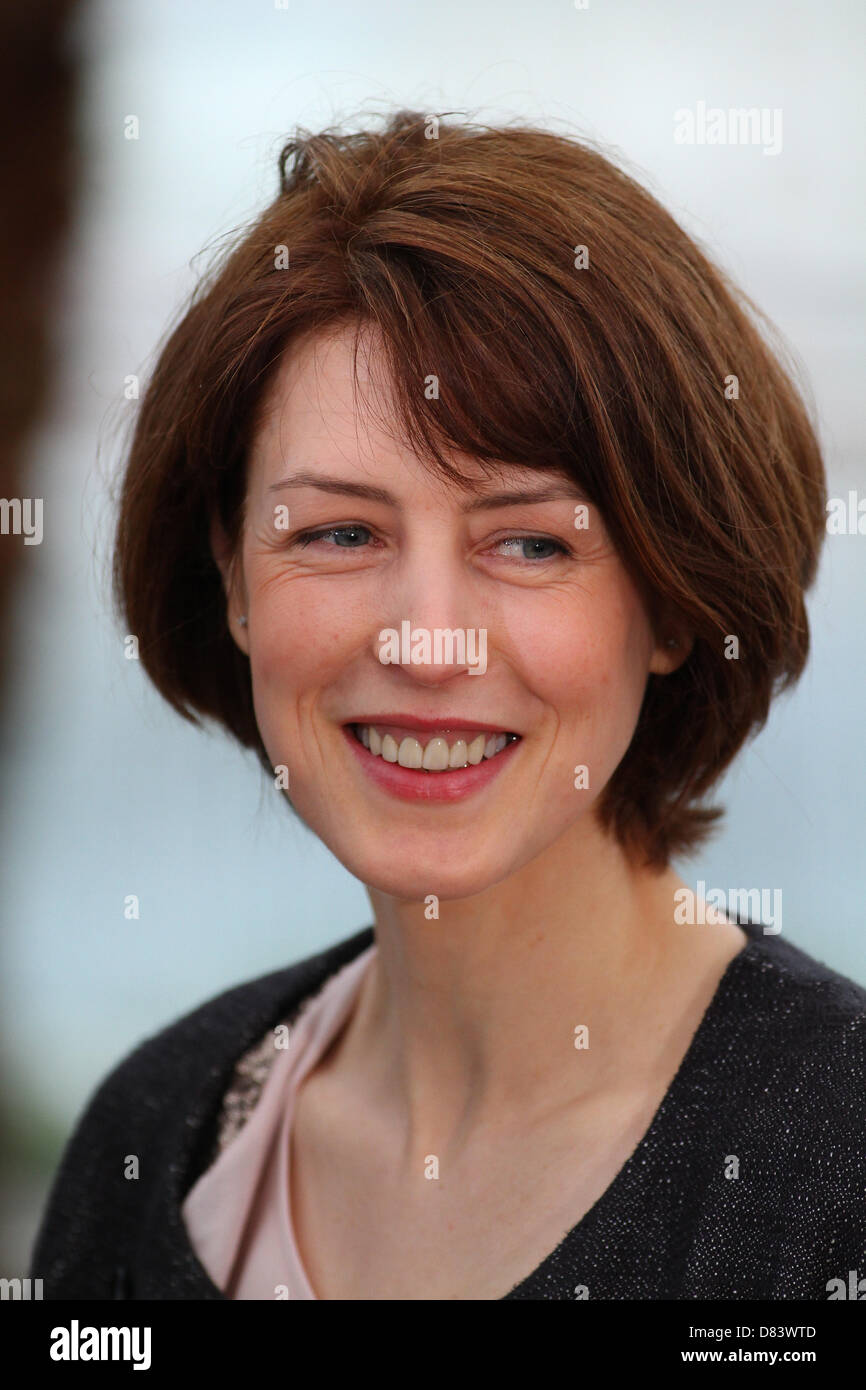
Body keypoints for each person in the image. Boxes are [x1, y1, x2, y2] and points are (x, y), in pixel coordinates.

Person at [31, 109, 866, 1300]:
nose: (427, 639)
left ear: (675, 601)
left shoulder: (833, 1181)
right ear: (232, 582)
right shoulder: (150, 1138)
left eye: (528, 543)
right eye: (337, 532)